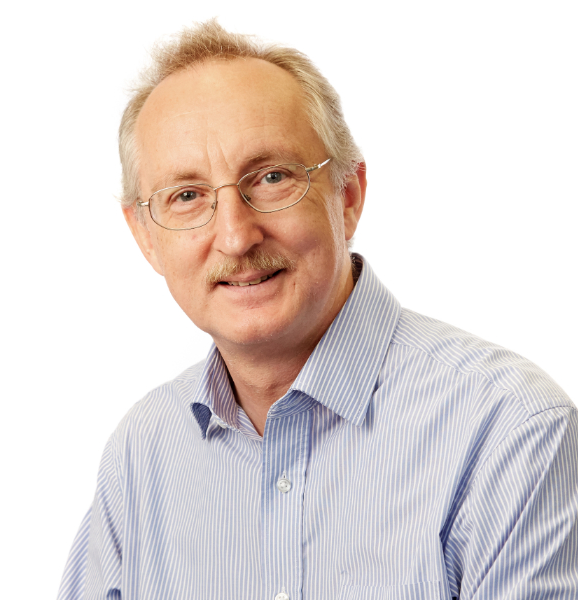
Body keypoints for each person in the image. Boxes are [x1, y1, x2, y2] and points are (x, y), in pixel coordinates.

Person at [58, 20, 578, 600]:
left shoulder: (508, 430)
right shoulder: (141, 455)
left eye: (271, 177)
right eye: (187, 196)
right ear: (145, 236)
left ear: (348, 195)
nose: (235, 236)